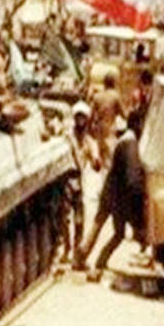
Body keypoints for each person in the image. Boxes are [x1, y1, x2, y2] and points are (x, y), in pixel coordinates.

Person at [80, 118, 147, 280]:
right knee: (117, 233)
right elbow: (132, 179)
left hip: (111, 193)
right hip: (117, 197)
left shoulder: (126, 142)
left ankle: (81, 257)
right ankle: (98, 263)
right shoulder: (131, 144)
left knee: (98, 226)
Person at [66, 102, 103, 270]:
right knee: (63, 220)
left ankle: (76, 254)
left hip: (79, 182)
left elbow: (96, 163)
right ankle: (65, 250)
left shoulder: (89, 141)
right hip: (65, 181)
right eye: (78, 117)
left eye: (83, 118)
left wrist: (96, 161)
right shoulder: (68, 137)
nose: (80, 121)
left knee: (79, 221)